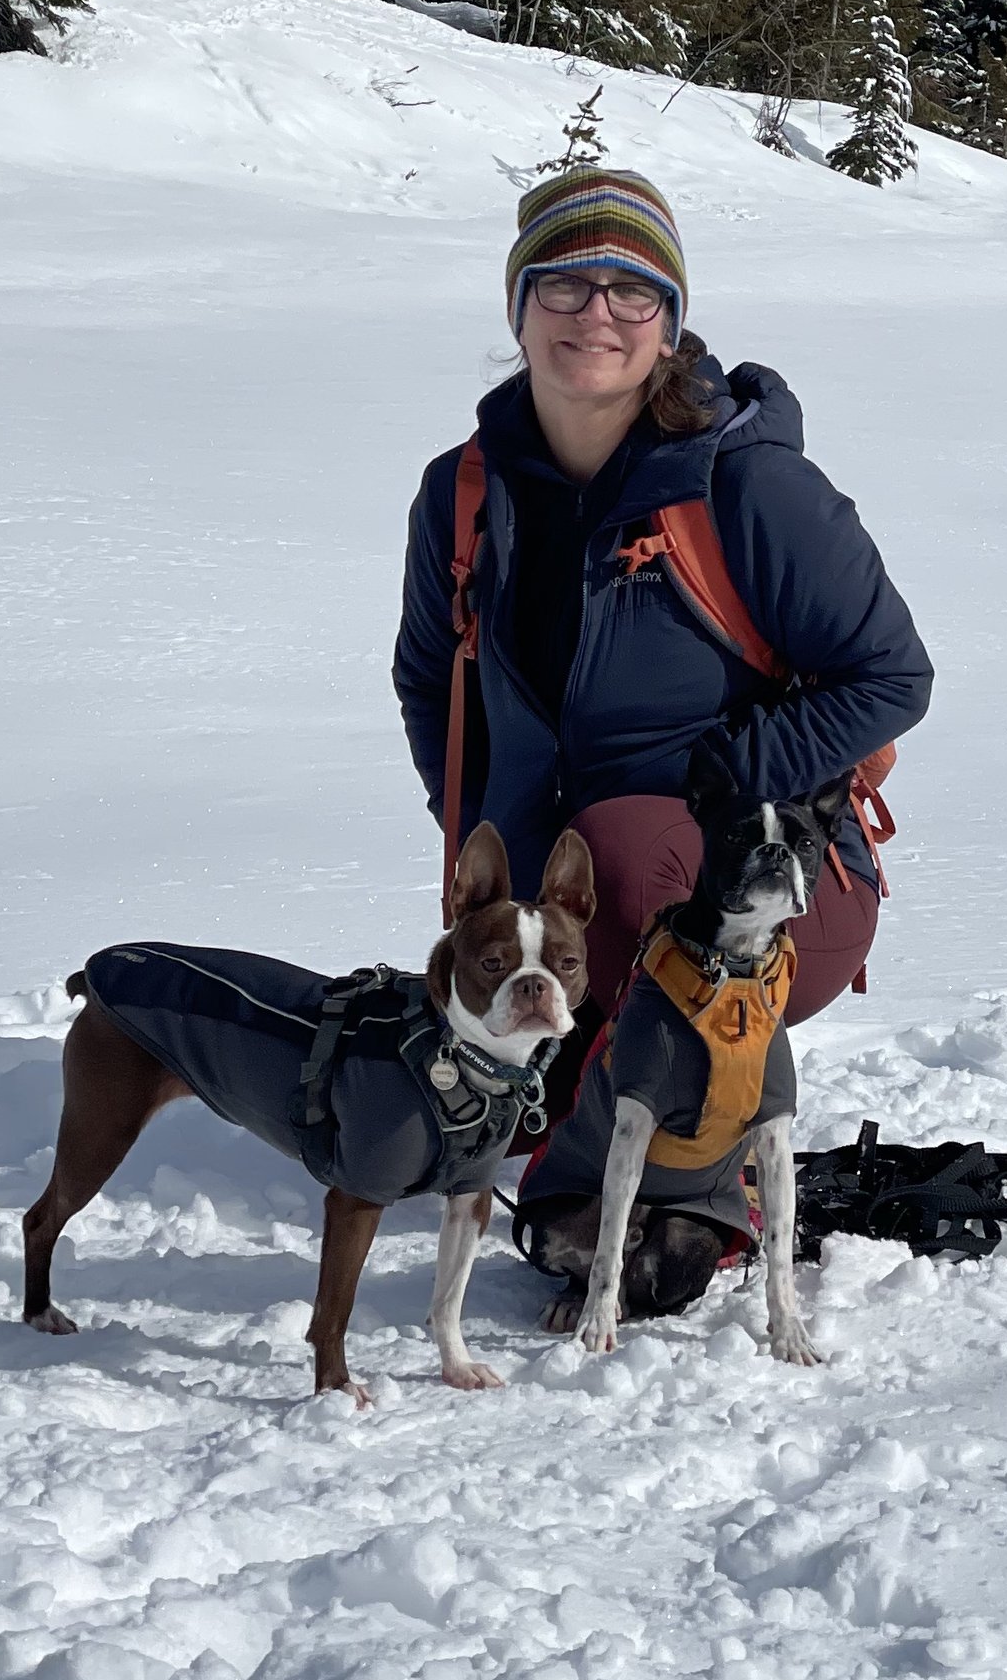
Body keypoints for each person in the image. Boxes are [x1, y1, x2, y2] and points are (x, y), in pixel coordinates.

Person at [392, 167, 933, 1059]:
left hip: (773, 881)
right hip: (562, 912)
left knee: (618, 850)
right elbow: (427, 676)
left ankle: (689, 1135)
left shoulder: (746, 483)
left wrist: (728, 776)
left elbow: (892, 676)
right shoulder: (462, 493)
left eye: (634, 291)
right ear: (519, 308)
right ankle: (576, 1081)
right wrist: (480, 826)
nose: (595, 311)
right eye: (563, 281)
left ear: (670, 323)